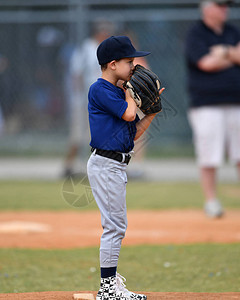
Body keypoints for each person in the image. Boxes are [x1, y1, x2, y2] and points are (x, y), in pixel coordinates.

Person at [87, 36, 164, 299]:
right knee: (115, 226)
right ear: (112, 64)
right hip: (106, 164)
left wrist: (152, 111)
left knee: (116, 225)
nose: (134, 66)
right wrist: (132, 93)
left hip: (116, 164)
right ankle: (108, 288)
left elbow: (132, 134)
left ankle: (111, 282)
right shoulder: (100, 90)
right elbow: (130, 114)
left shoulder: (119, 93)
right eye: (129, 61)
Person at [185, 0, 240, 218]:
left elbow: (217, 59)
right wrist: (233, 56)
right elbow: (205, 63)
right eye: (220, 5)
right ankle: (212, 201)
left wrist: (223, 52)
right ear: (207, 8)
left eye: (227, 5)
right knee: (209, 155)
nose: (225, 9)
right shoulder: (196, 33)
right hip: (206, 103)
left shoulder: (233, 31)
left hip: (237, 101)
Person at [63, 21, 114, 177]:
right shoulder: (87, 48)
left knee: (95, 135)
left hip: (99, 100)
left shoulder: (106, 50)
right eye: (104, 31)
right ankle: (68, 166)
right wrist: (81, 96)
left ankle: (92, 168)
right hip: (83, 100)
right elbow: (76, 74)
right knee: (78, 135)